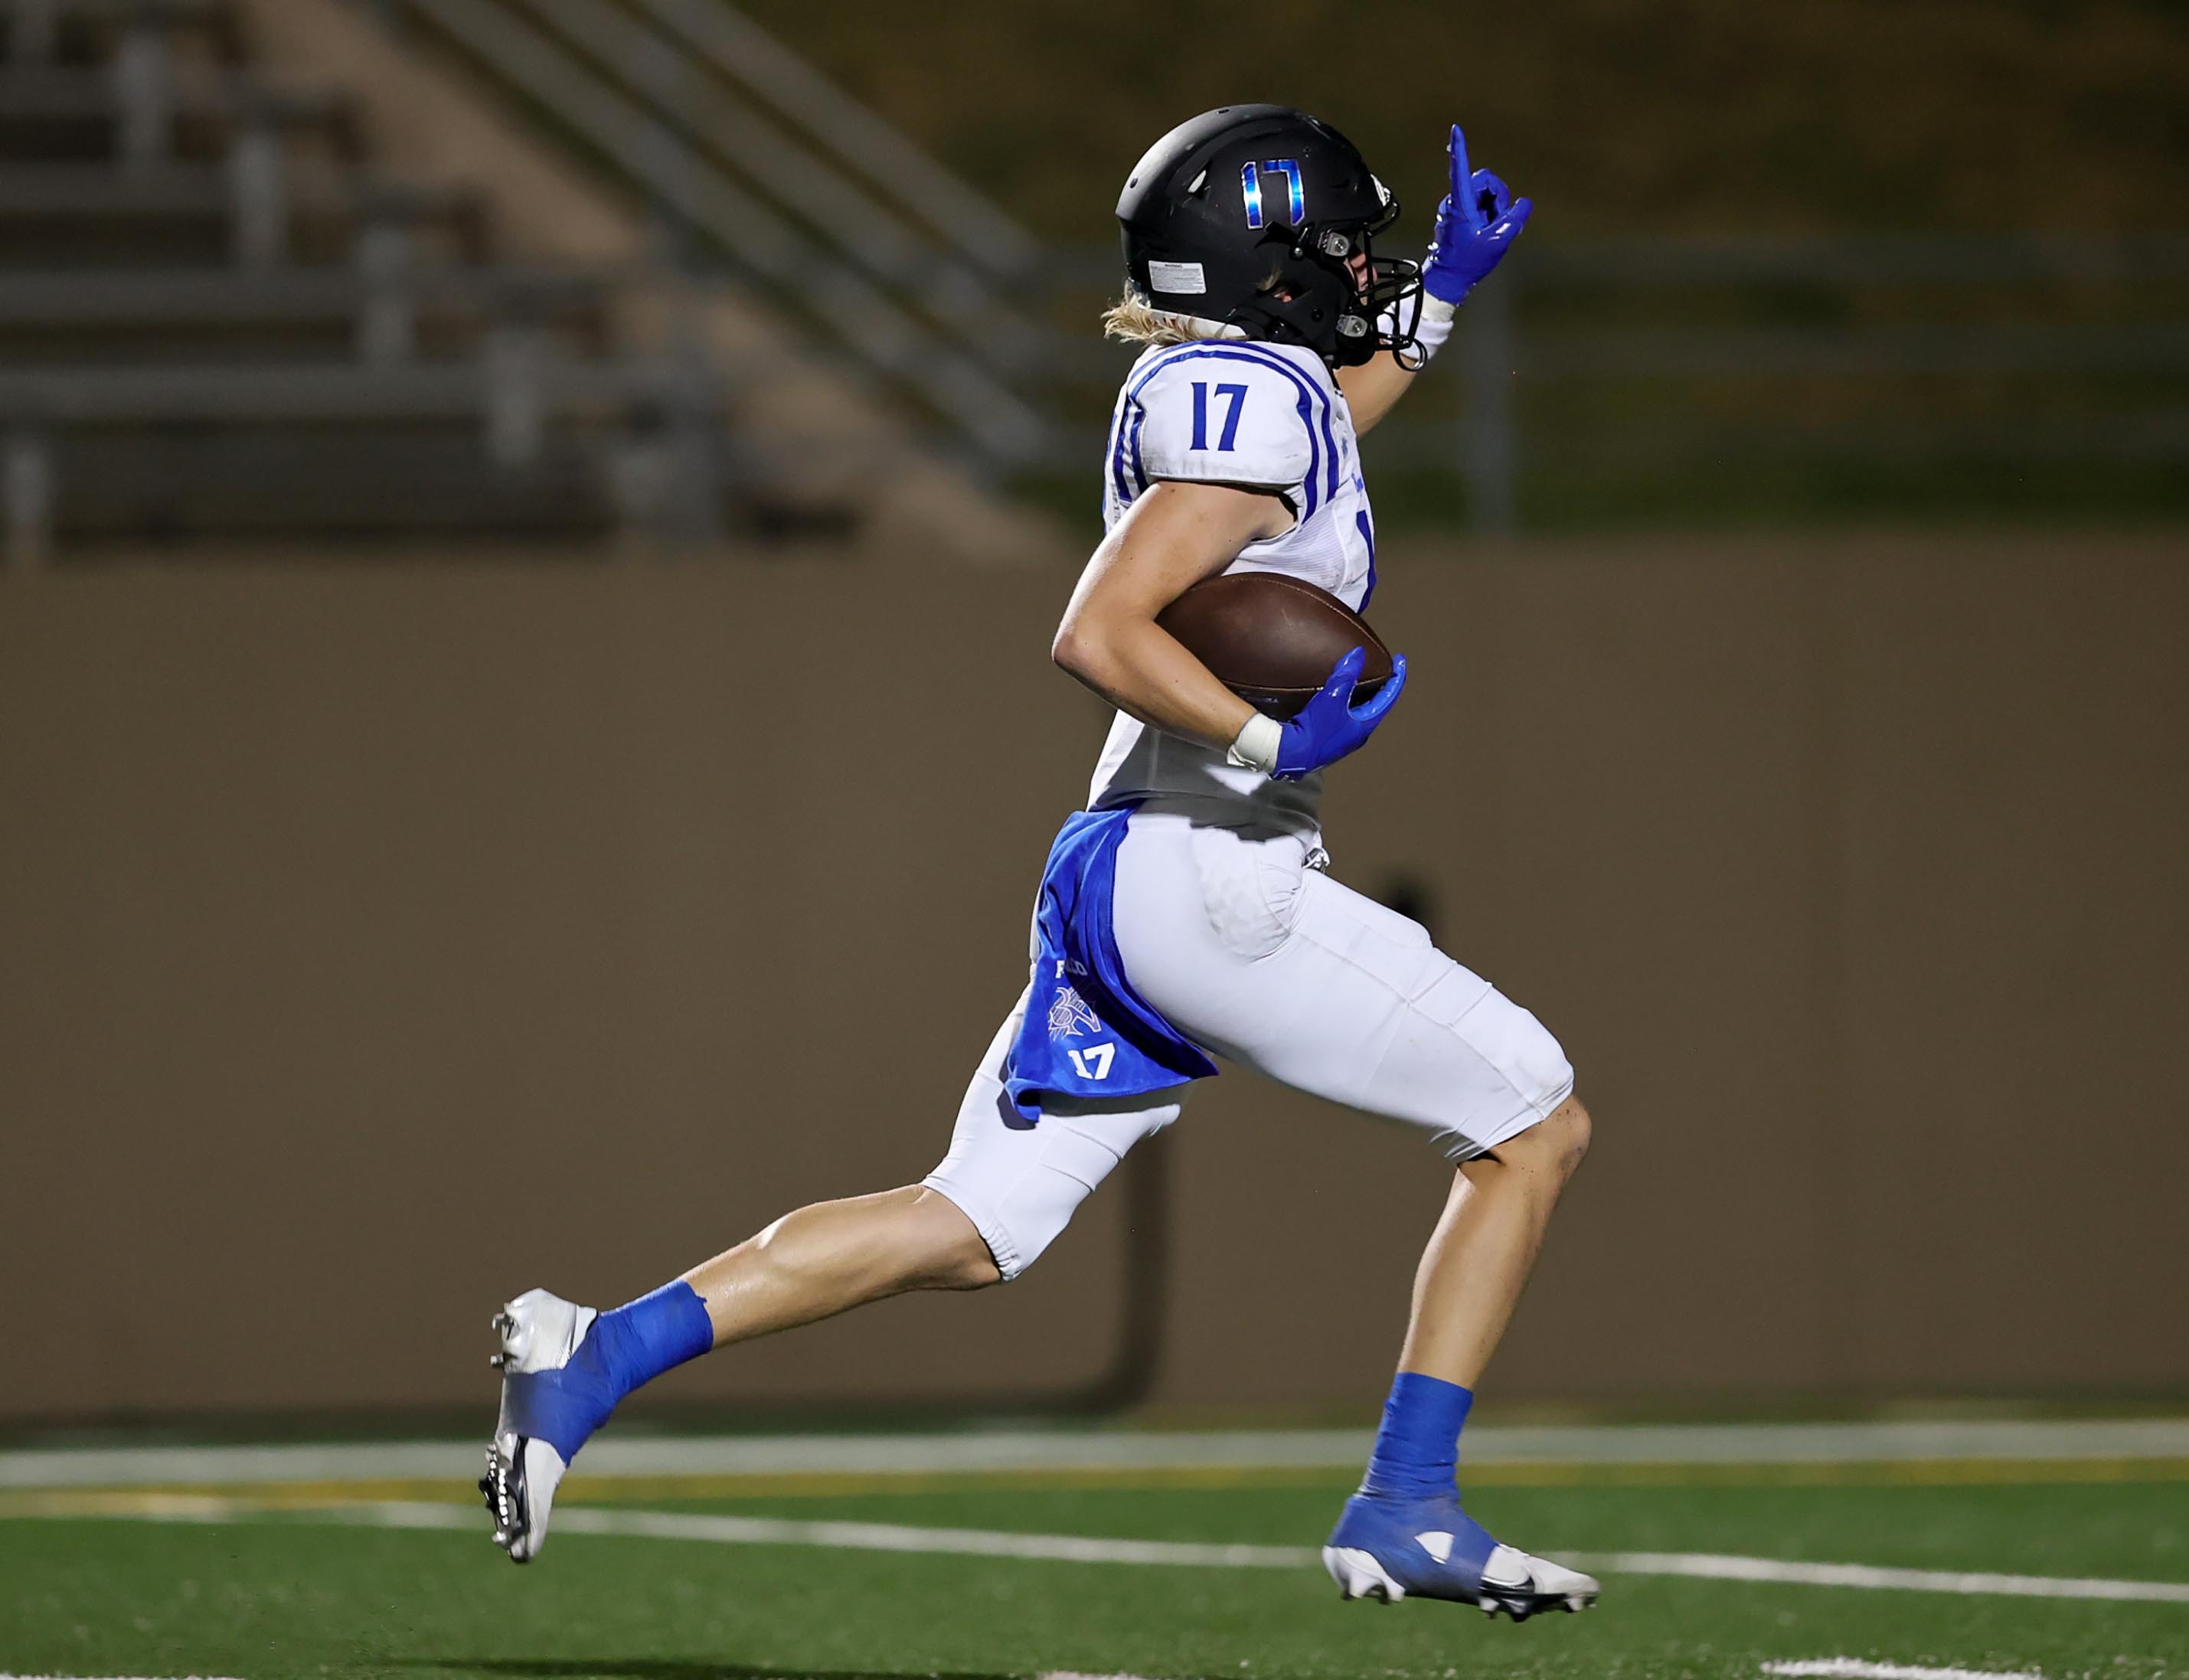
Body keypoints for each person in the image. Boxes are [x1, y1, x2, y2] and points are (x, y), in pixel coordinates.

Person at [482, 104, 1598, 1624]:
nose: (1361, 262)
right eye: (1340, 243)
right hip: (1212, 865)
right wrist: (1269, 746)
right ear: (1273, 266)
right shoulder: (1242, 397)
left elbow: (1301, 453)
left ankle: (590, 1352)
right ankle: (1407, 1499)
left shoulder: (1232, 384)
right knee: (1532, 1118)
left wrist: (1438, 313)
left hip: (1123, 864)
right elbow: (1099, 626)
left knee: (975, 1222)